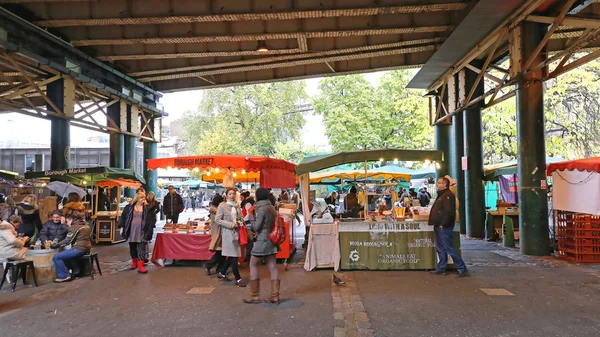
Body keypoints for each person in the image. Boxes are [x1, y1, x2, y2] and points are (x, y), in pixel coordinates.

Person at [244, 187, 281, 304]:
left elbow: (256, 227)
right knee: (272, 266)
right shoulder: (271, 207)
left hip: (262, 240)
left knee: (253, 264)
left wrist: (250, 219)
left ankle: (254, 295)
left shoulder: (261, 209)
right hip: (272, 240)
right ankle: (275, 296)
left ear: (257, 197)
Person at [429, 177, 468, 277]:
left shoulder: (447, 196)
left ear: (445, 185)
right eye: (438, 183)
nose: (437, 184)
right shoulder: (442, 195)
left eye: (440, 183)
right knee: (440, 248)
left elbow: (449, 212)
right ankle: (441, 268)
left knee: (448, 248)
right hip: (438, 225)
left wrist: (443, 224)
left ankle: (462, 268)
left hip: (443, 226)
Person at [215, 187, 246, 287]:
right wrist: (230, 224)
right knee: (234, 256)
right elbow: (218, 220)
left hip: (236, 232)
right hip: (227, 233)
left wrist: (239, 222)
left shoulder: (237, 205)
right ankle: (238, 278)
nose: (232, 196)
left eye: (233, 194)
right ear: (226, 195)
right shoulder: (222, 206)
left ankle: (222, 272)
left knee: (233, 254)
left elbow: (241, 217)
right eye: (230, 194)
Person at [51, 210, 92, 283]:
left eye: (68, 221)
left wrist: (56, 245)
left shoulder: (75, 227)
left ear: (72, 220)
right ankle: (75, 272)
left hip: (79, 248)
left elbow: (67, 241)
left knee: (56, 257)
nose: (67, 223)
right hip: (86, 247)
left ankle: (64, 276)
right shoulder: (84, 225)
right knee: (67, 255)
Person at [118, 191, 152, 274]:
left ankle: (140, 266)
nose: (143, 199)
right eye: (141, 198)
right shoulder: (129, 207)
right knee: (132, 247)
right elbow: (123, 217)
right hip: (131, 230)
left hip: (142, 230)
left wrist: (149, 230)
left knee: (141, 248)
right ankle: (134, 262)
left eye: (144, 198)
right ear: (137, 199)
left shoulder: (147, 208)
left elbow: (151, 220)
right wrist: (122, 227)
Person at [204, 195, 225, 276]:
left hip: (218, 232)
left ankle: (220, 268)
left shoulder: (214, 210)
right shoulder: (215, 211)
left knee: (222, 252)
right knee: (220, 252)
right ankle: (209, 265)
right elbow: (220, 221)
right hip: (218, 232)